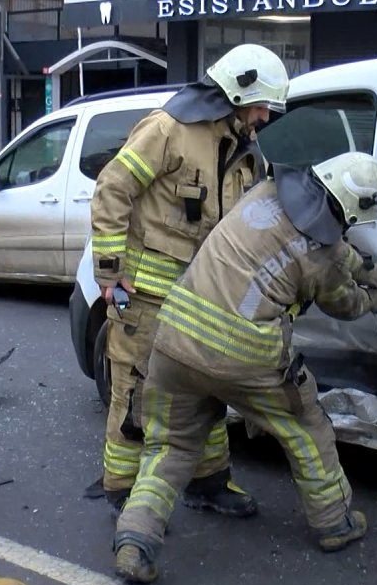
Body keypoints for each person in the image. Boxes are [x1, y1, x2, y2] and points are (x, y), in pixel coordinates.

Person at [112, 151, 377, 584]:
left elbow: (335, 252)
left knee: (169, 446)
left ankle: (136, 541)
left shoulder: (264, 191)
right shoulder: (322, 255)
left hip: (174, 340)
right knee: (306, 427)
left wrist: (366, 269)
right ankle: (334, 522)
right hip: (244, 356)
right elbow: (344, 301)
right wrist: (376, 295)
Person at [85, 44, 291, 518]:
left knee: (205, 390)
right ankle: (122, 489)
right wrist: (111, 275)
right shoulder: (168, 130)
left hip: (204, 299)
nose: (264, 115)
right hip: (146, 298)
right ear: (234, 93)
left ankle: (209, 482)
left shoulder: (245, 148)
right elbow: (113, 189)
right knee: (134, 391)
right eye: (260, 103)